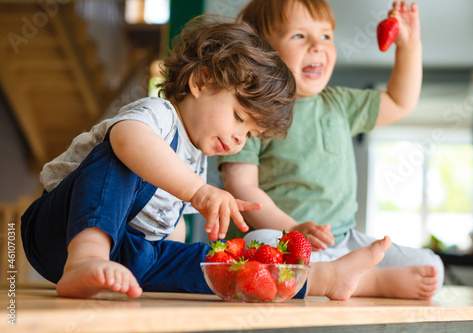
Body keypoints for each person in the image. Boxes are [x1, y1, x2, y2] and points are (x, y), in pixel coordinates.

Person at [21, 15, 393, 301]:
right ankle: (86, 256)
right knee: (122, 152)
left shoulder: (196, 156)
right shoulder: (158, 115)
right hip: (58, 231)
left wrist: (175, 247)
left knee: (213, 262)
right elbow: (129, 142)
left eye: (248, 135)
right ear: (200, 81)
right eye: (237, 117)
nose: (237, 139)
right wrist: (199, 193)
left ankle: (320, 279)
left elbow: (170, 223)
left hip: (126, 251)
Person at [219, 0, 444, 300]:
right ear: (261, 51)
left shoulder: (339, 104)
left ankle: (344, 272)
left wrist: (409, 44)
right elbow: (241, 186)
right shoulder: (251, 110)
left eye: (325, 36)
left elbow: (400, 101)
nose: (317, 46)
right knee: (260, 251)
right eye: (299, 36)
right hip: (283, 242)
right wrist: (293, 229)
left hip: (343, 240)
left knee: (431, 266)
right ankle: (367, 282)